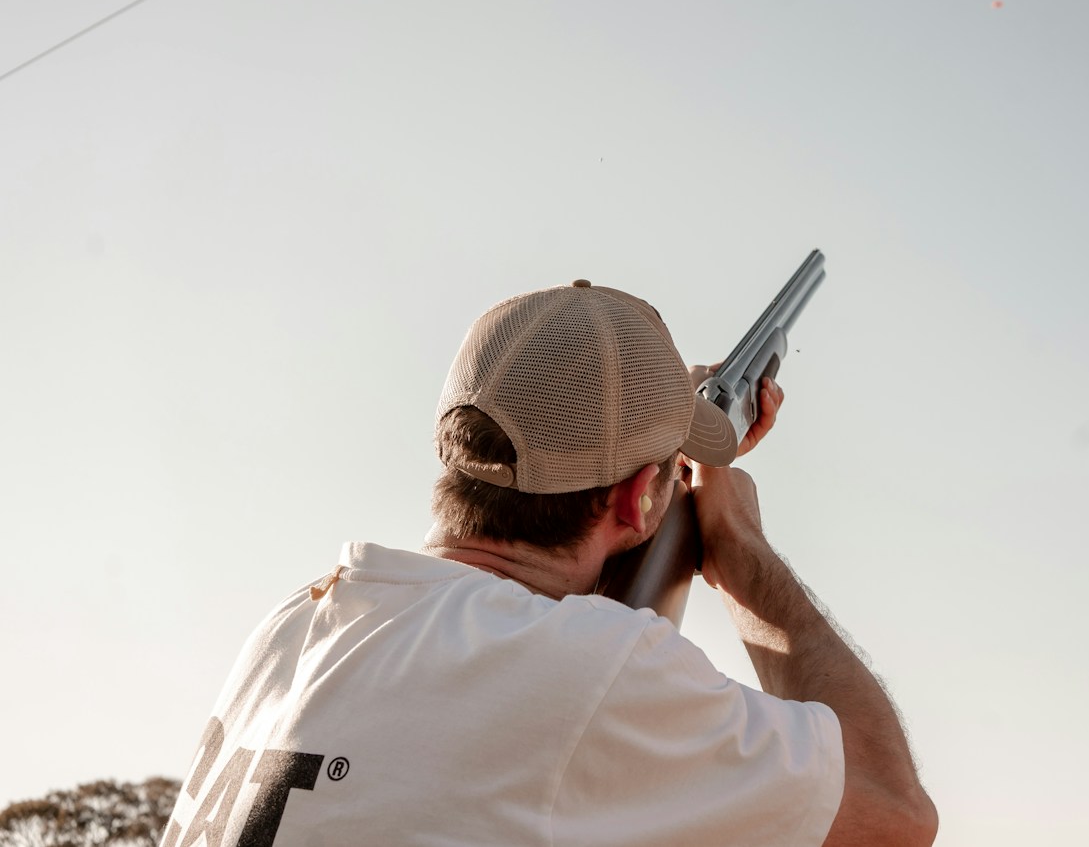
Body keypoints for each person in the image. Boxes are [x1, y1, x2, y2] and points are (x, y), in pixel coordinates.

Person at [161, 278, 937, 847]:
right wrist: (740, 550)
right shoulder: (589, 668)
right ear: (637, 502)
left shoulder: (295, 623)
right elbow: (893, 812)